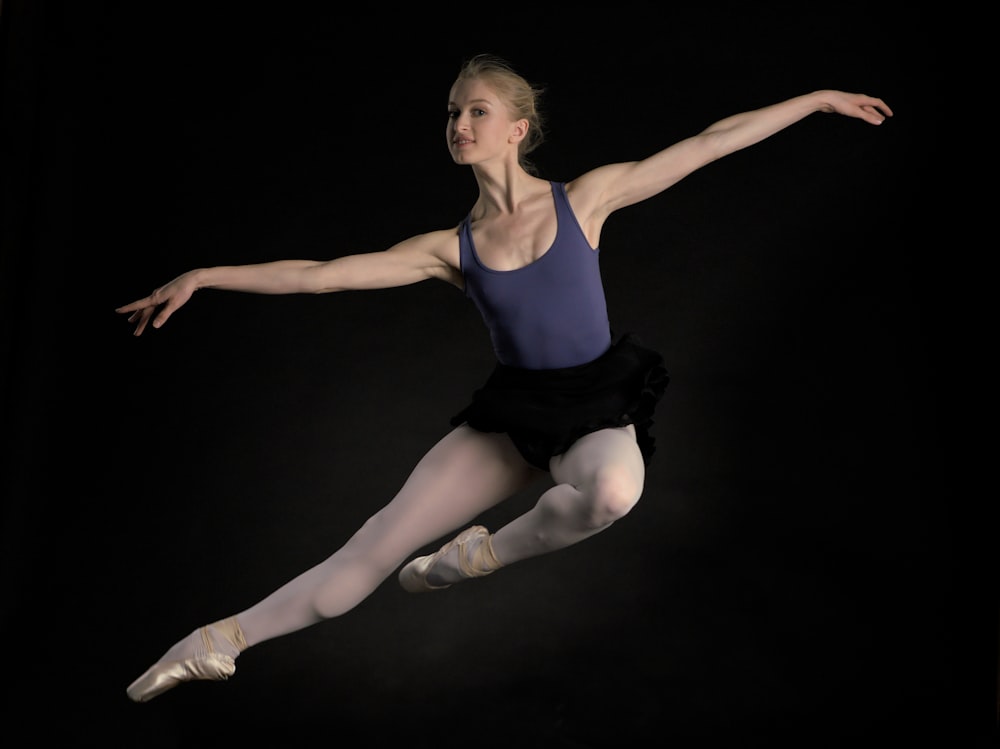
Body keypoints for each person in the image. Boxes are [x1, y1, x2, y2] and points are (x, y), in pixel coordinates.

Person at [118, 53, 892, 703]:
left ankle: (470, 558)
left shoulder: (585, 200)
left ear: (517, 129)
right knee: (361, 561)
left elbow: (710, 142)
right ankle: (217, 639)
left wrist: (817, 98)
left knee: (614, 492)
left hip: (594, 407)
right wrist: (205, 274)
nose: (459, 124)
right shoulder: (448, 247)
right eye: (452, 112)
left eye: (477, 111)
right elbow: (321, 275)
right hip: (511, 417)